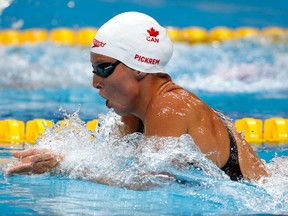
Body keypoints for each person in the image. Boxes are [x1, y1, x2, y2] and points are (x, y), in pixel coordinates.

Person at [5, 11, 268, 182]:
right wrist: (55, 158)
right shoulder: (133, 113)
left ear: (140, 68)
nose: (95, 82)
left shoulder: (171, 105)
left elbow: (150, 183)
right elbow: (115, 167)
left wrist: (66, 167)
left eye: (104, 68)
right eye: (94, 70)